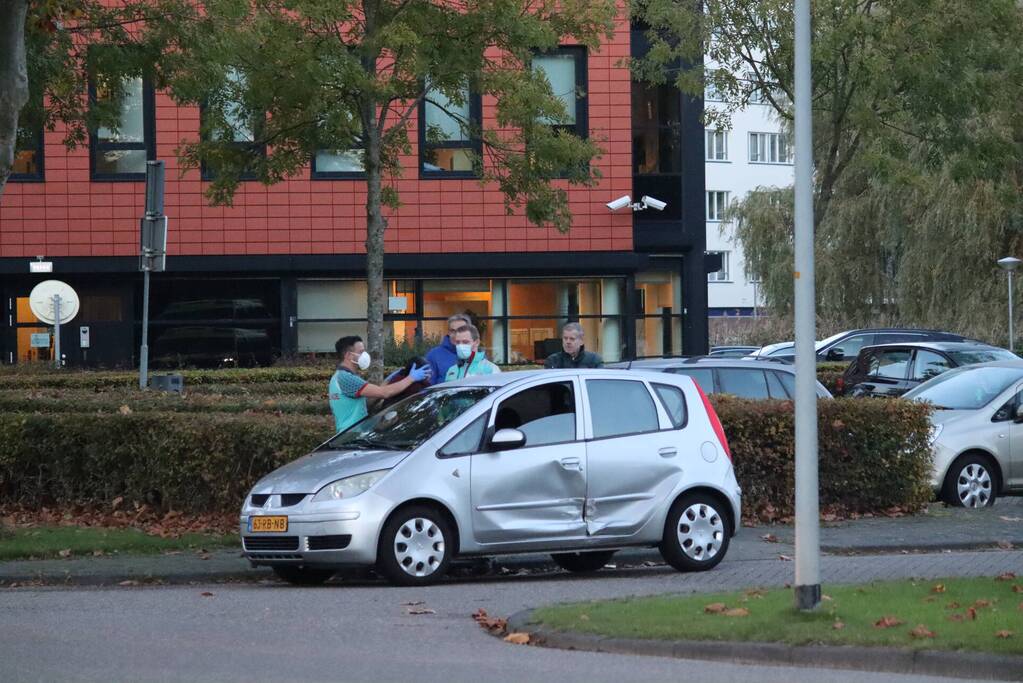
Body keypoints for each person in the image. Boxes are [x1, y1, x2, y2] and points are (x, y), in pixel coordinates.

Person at [328, 336, 430, 433]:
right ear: (348, 355)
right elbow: (384, 393)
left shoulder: (338, 377)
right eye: (361, 352)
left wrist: (387, 383)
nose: (365, 355)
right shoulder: (346, 378)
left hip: (349, 433)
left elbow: (365, 404)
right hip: (351, 435)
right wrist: (411, 378)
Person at [424, 313, 471, 385]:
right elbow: (427, 387)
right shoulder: (434, 355)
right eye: (453, 331)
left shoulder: (478, 355)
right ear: (448, 332)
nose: (456, 335)